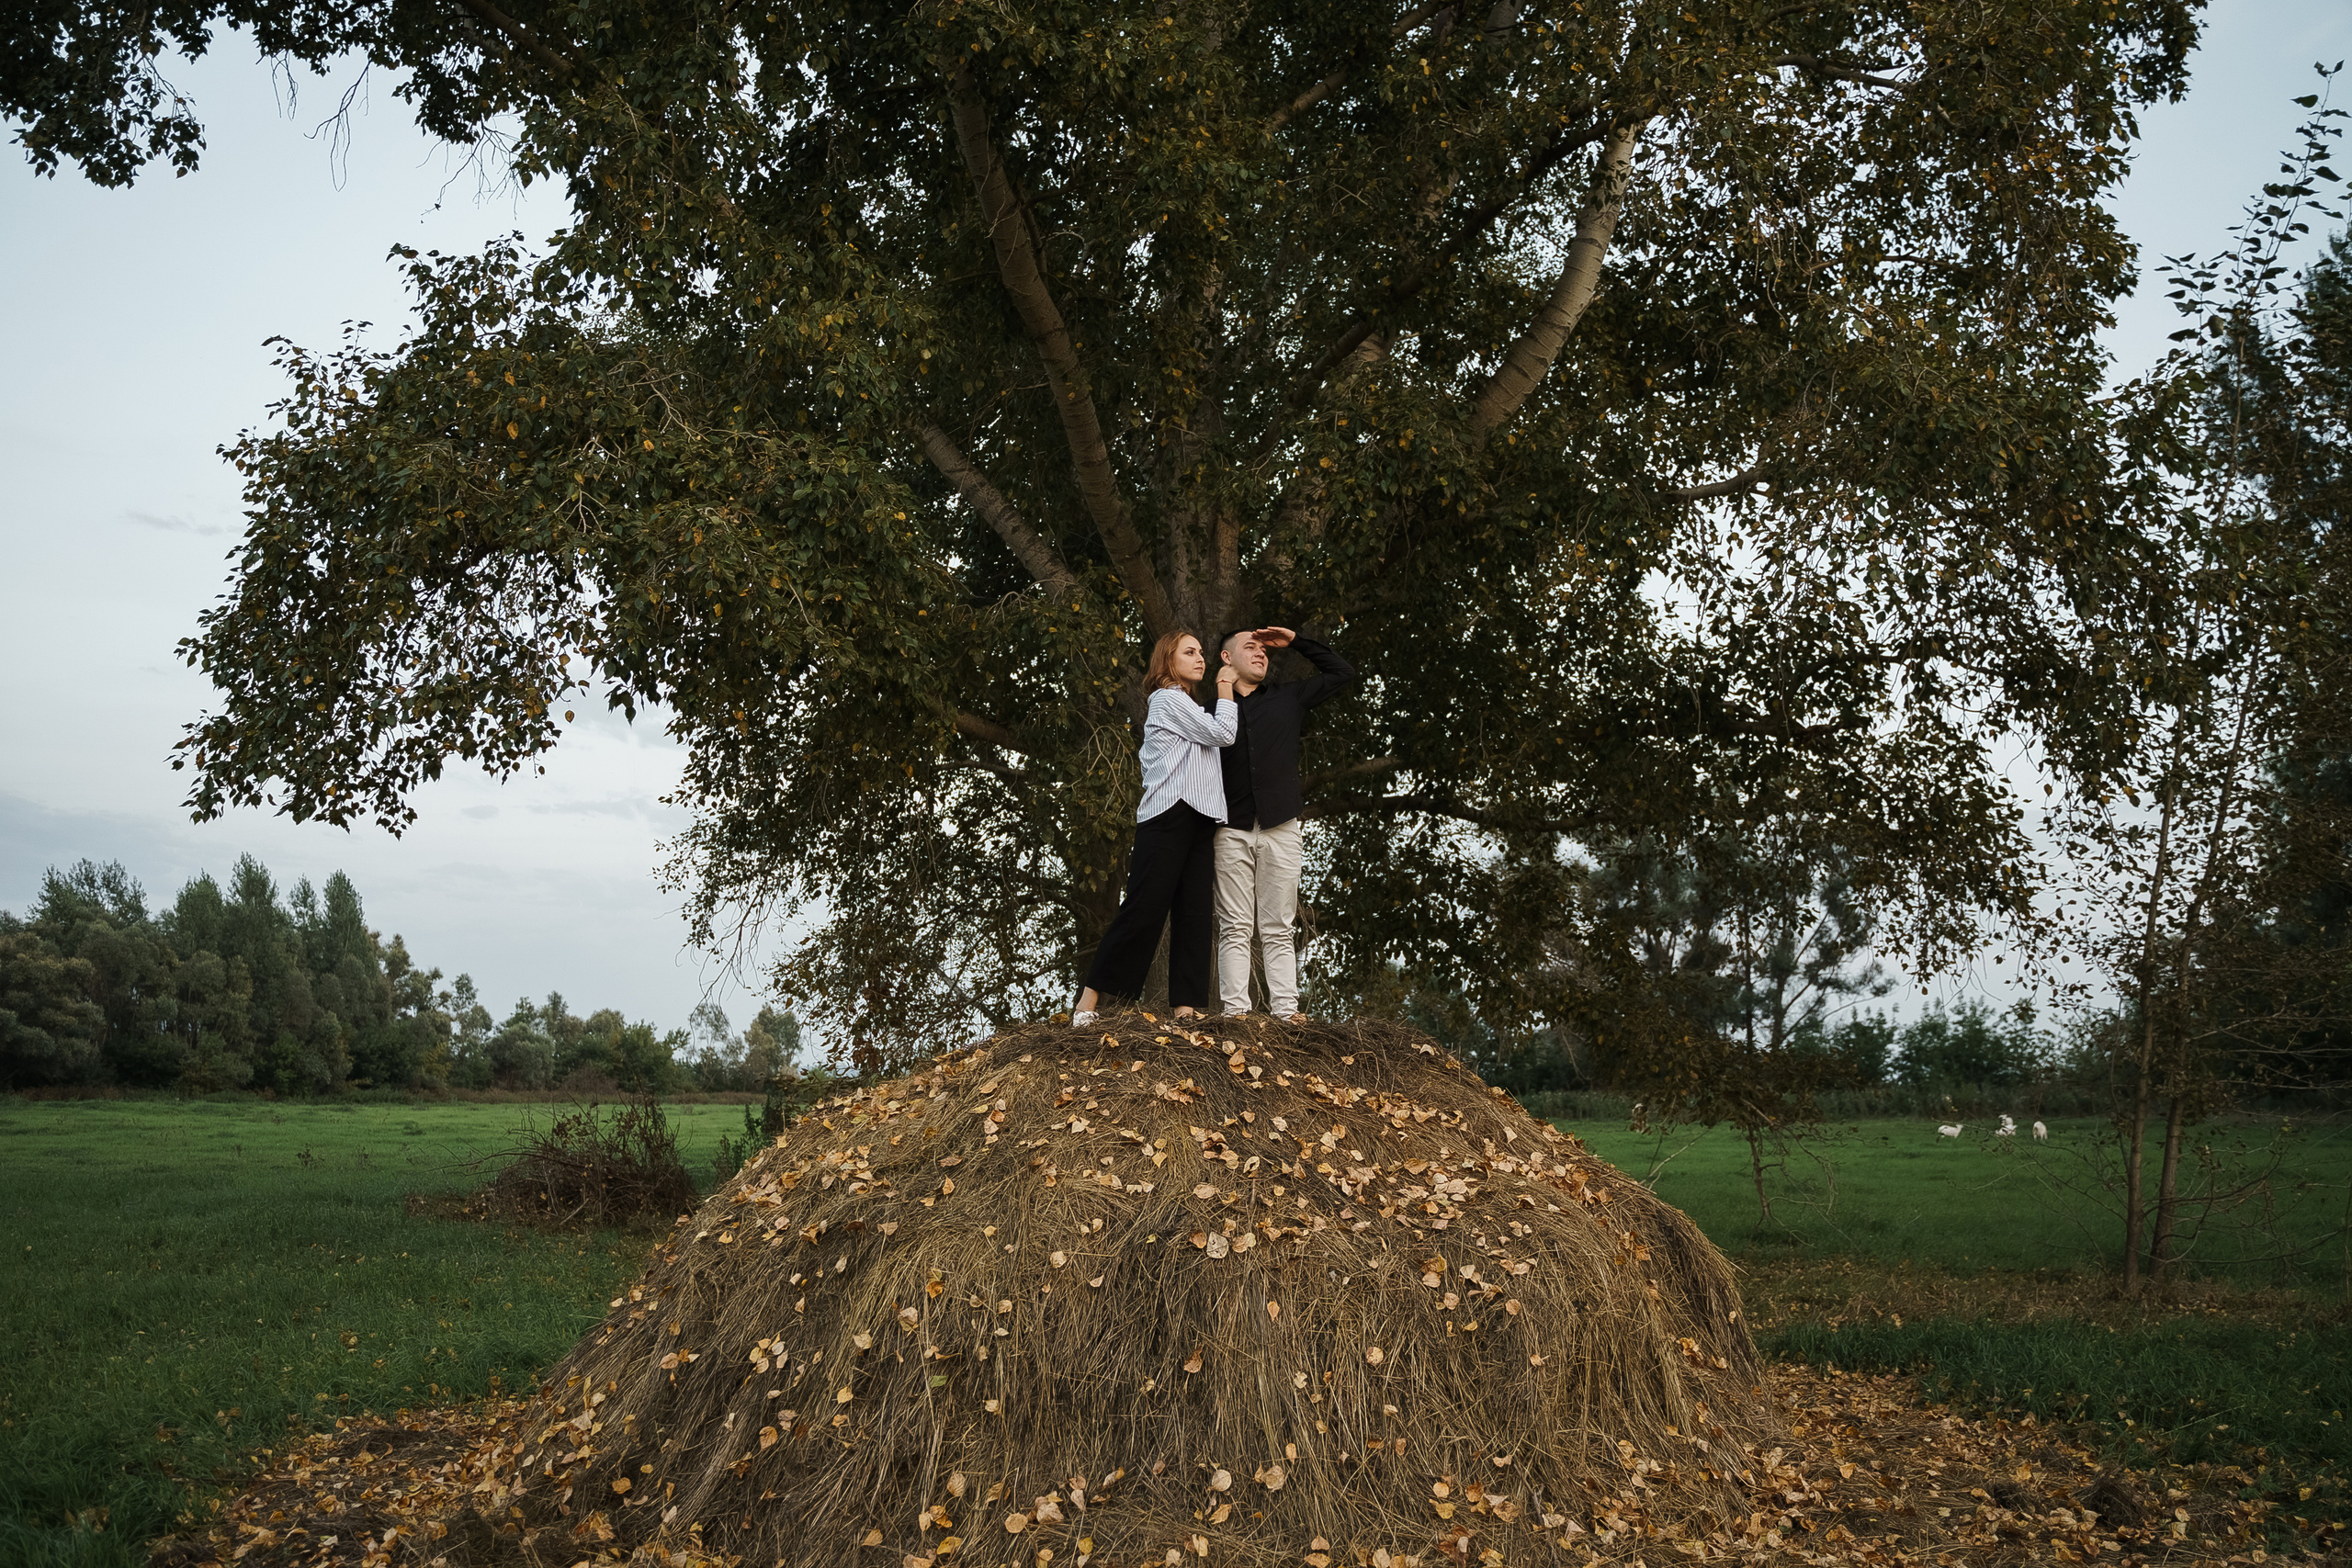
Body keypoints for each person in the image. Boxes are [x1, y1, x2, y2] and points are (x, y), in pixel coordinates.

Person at [1072, 630, 1238, 1026]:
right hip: (1167, 815)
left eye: (1201, 652)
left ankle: (1186, 1010)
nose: (1200, 658)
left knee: (1194, 914)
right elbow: (1225, 734)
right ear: (1168, 660)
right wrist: (1226, 687)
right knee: (1144, 908)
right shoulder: (1167, 700)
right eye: (1190, 652)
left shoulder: (1192, 708)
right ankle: (1087, 1002)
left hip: (1200, 817)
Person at [1212, 625, 1357, 1021]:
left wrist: (1295, 641)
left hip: (1282, 826)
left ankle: (1287, 1014)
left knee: (1278, 926)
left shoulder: (1289, 697)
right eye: (1250, 647)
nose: (1261, 653)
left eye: (1264, 649)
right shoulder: (1210, 712)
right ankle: (1235, 1015)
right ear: (1227, 659)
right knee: (1235, 926)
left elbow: (1342, 673)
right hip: (1230, 827)